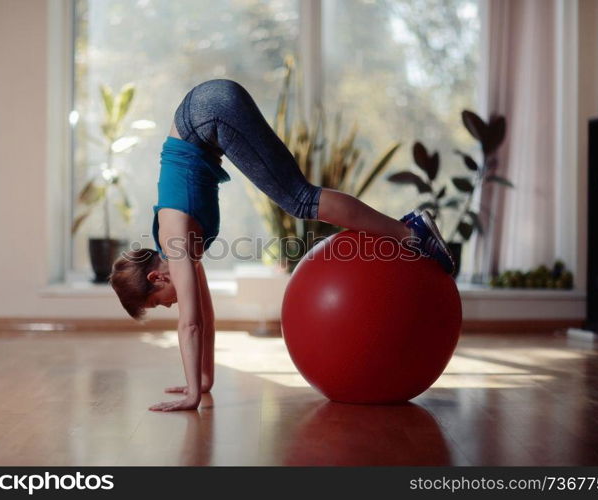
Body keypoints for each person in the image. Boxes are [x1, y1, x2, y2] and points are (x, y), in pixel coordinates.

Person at [110, 79, 454, 412]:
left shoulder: (175, 243)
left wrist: (191, 400)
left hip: (207, 112)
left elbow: (191, 323)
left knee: (300, 199)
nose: (170, 307)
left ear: (157, 279)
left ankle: (410, 233)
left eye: (159, 304)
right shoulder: (181, 250)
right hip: (205, 115)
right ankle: (407, 231)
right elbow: (206, 316)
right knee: (298, 198)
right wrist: (201, 380)